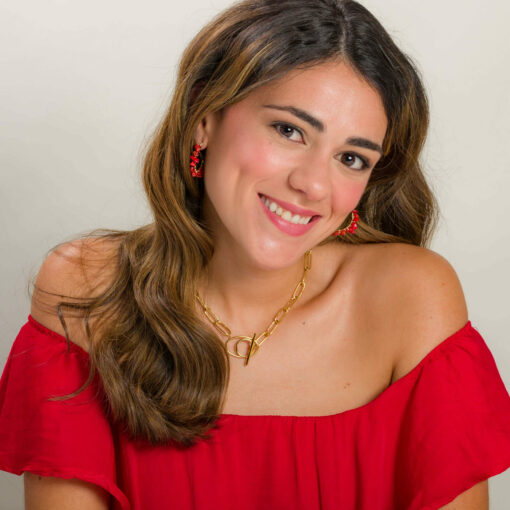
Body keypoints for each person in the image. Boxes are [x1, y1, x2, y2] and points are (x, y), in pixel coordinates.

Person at [1, 0, 509, 508]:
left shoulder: (410, 299)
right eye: (289, 130)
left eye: (351, 158)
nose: (313, 185)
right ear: (205, 115)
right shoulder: (88, 292)